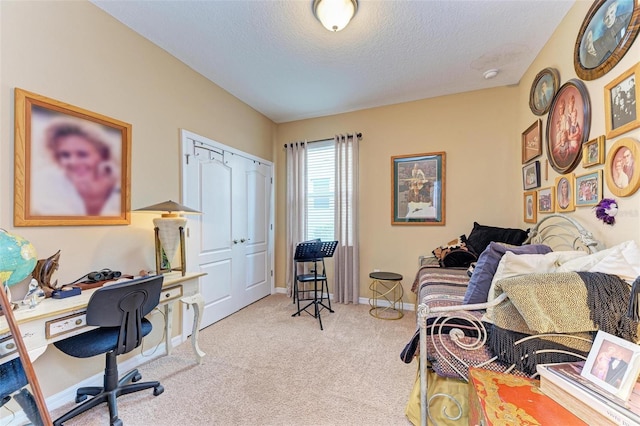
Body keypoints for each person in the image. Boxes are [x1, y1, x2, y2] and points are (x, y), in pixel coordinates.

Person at [32, 119, 120, 216]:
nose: (73, 162)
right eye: (65, 155)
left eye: (82, 154)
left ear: (102, 155)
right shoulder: (46, 180)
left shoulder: (119, 184)